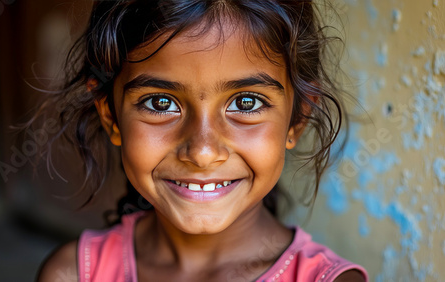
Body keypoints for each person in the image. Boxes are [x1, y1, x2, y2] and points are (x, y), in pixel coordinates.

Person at [36, 0, 368, 281]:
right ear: (110, 114)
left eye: (246, 103)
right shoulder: (74, 274)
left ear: (297, 119)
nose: (203, 151)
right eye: (161, 103)